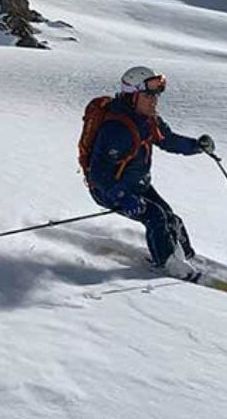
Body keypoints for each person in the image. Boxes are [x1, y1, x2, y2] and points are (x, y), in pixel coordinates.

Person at [82, 66, 214, 280]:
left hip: (138, 184)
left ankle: (187, 257)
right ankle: (169, 264)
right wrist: (122, 197)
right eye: (148, 95)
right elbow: (98, 173)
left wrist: (196, 146)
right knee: (156, 217)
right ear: (131, 95)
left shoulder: (148, 119)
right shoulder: (117, 128)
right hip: (112, 190)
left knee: (172, 219)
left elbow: (168, 140)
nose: (154, 100)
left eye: (156, 95)